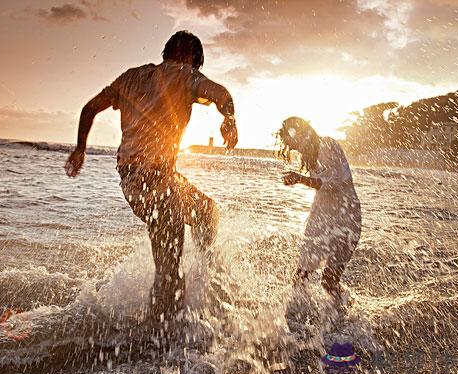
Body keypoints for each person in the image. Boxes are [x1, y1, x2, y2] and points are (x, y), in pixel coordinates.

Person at [64, 31, 238, 323]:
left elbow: (89, 109)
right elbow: (222, 95)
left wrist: (80, 149)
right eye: (196, 65)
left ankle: (204, 279)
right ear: (189, 58)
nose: (195, 71)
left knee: (208, 211)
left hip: (135, 179)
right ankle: (158, 342)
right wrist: (229, 121)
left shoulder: (130, 77)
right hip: (157, 182)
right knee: (170, 270)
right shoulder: (185, 75)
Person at [277, 117, 361, 305]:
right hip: (323, 220)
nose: (294, 150)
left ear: (301, 134)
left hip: (345, 220)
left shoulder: (327, 145)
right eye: (291, 147)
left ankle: (344, 317)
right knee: (301, 277)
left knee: (328, 282)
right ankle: (302, 320)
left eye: (294, 145)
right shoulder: (310, 155)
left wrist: (300, 179)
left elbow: (334, 184)